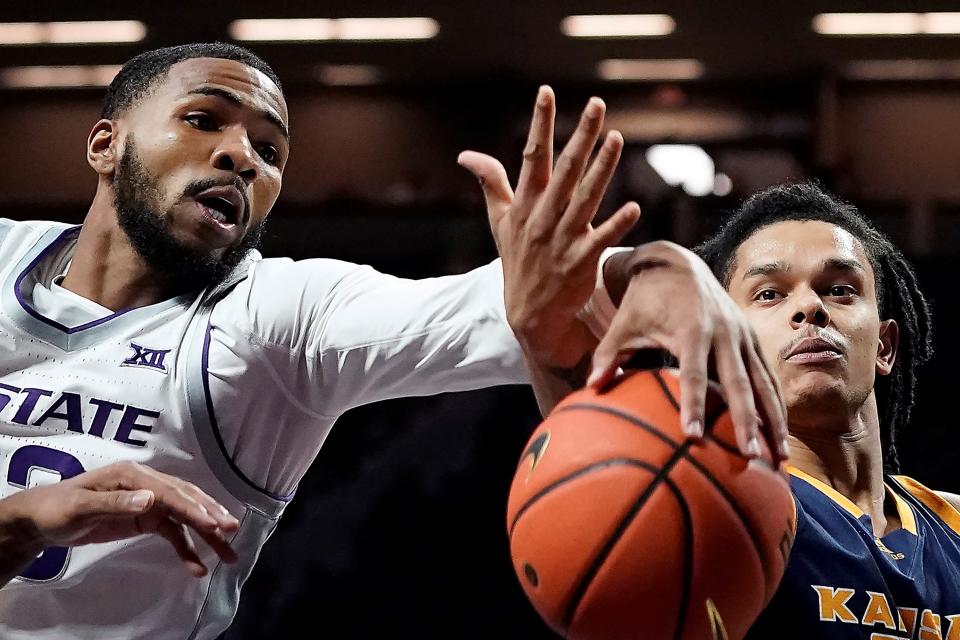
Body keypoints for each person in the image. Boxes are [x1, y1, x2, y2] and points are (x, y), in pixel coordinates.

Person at [0, 43, 785, 639]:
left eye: (270, 152)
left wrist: (665, 266)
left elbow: (515, 298)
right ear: (105, 145)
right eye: (204, 121)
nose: (243, 157)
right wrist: (24, 519)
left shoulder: (277, 315)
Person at [478, 142, 956, 636]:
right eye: (769, 294)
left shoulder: (954, 525)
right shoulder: (716, 500)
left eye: (839, 289)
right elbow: (614, 478)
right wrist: (544, 343)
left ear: (885, 346)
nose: (809, 308)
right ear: (721, 338)